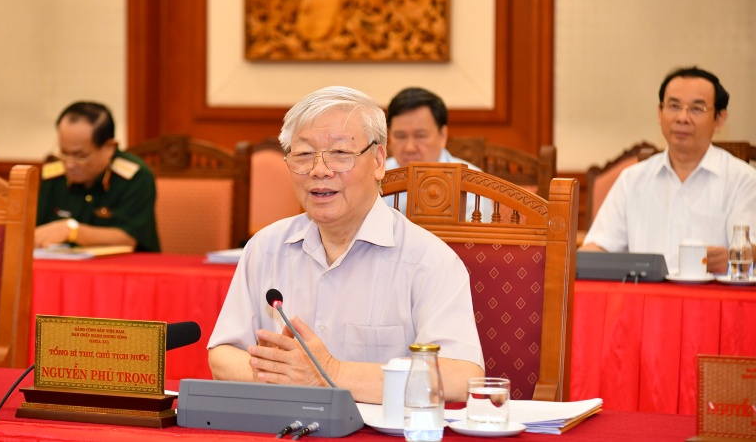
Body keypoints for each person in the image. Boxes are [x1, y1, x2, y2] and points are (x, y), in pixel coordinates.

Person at [207, 86, 483, 403]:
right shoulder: (265, 248)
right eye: (304, 154)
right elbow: (223, 355)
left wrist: (331, 374)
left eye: (340, 154)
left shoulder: (428, 261)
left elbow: (462, 376)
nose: (319, 170)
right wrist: (288, 376)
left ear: (379, 160)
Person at [581, 67, 756, 274]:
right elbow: (598, 247)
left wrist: (730, 259)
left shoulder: (743, 180)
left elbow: (749, 249)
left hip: (709, 300)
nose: (682, 117)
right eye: (674, 106)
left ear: (719, 119)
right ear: (659, 112)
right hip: (644, 300)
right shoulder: (633, 179)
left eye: (696, 109)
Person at [35, 101, 161, 252]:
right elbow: (35, 230)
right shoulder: (53, 176)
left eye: (80, 156)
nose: (69, 165)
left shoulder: (135, 177)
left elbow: (129, 238)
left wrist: (72, 231)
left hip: (122, 268)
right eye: (64, 153)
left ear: (109, 147)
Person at [384, 87, 491, 217]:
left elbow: (477, 237)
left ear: (443, 135)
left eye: (420, 136)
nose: (409, 148)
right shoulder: (378, 176)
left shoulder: (473, 183)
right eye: (400, 136)